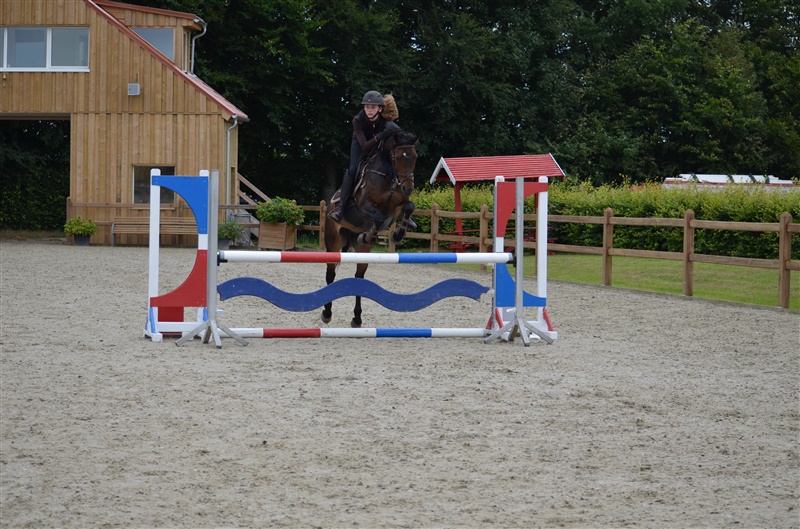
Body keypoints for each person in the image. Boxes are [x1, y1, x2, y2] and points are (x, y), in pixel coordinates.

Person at [330, 90, 400, 222]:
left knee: (393, 166)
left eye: (373, 107)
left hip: (377, 143)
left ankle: (402, 206)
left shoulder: (385, 121)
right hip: (360, 144)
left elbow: (398, 133)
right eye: (367, 107)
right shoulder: (357, 120)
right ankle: (341, 209)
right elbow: (365, 146)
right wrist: (380, 136)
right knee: (352, 169)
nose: (369, 110)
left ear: (380, 109)